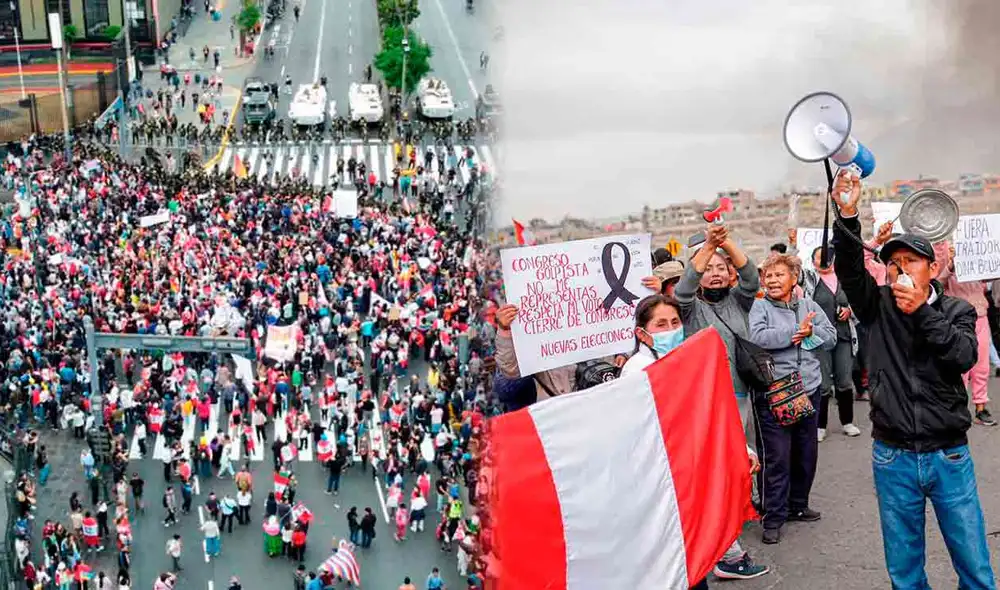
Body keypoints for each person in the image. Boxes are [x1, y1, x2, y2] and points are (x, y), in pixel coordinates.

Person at [831, 170, 996, 588]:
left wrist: (922, 310)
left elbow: (961, 355)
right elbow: (851, 271)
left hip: (949, 456)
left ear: (932, 267)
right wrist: (847, 215)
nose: (900, 269)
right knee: (904, 571)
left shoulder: (955, 310)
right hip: (893, 456)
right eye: (893, 262)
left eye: (911, 261)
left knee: (975, 567)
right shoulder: (877, 306)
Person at [672, 224, 770, 578]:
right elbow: (683, 289)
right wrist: (707, 249)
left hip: (739, 396)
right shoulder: (687, 310)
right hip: (705, 402)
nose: (714, 274)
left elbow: (750, 277)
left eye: (720, 268)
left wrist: (725, 242)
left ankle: (728, 536)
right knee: (720, 470)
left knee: (737, 467)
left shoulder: (739, 301)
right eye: (707, 269)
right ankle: (725, 550)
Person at [749, 253, 836, 544]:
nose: (772, 280)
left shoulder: (810, 306)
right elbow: (757, 337)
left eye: (779, 275)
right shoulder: (759, 307)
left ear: (794, 278)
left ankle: (798, 505)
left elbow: (832, 336)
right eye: (768, 276)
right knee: (777, 458)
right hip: (775, 393)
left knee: (806, 454)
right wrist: (794, 332)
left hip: (809, 389)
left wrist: (811, 333)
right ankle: (773, 517)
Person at [801, 246, 862, 441]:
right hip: (819, 339)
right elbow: (795, 271)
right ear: (812, 261)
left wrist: (849, 311)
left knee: (844, 381)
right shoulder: (810, 280)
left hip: (843, 336)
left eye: (828, 257)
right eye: (820, 258)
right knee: (824, 384)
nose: (824, 261)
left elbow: (858, 301)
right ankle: (820, 426)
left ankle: (848, 422)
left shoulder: (844, 278)